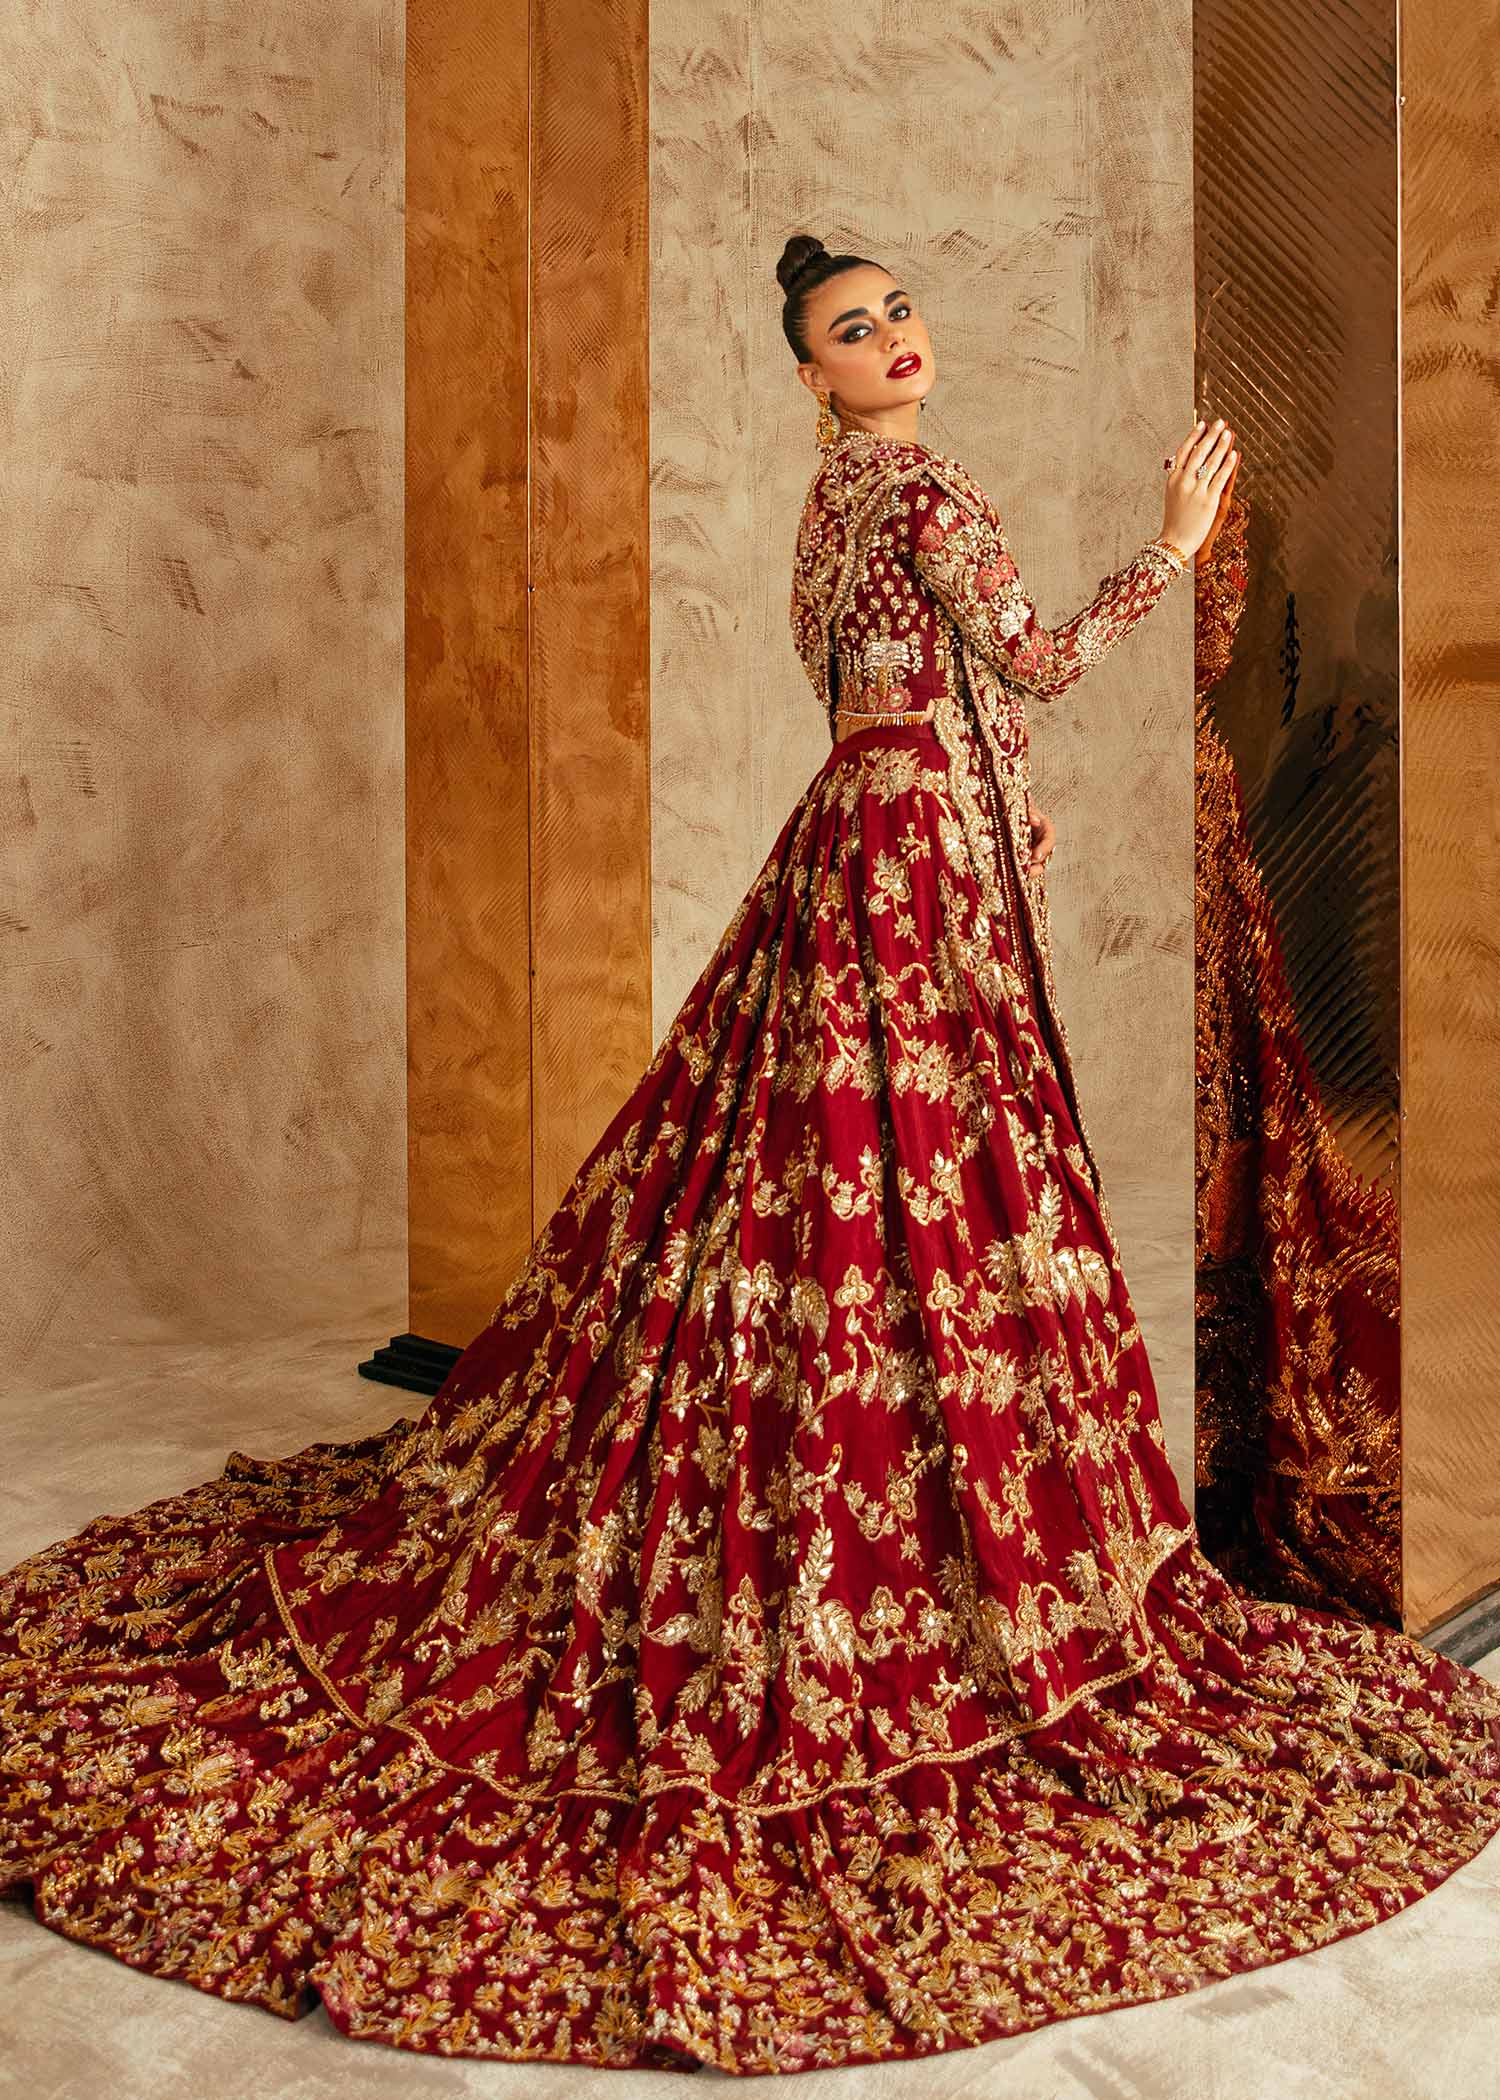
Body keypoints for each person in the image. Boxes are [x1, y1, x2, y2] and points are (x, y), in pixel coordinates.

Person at [1, 234, 1496, 2078]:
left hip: (854, 839)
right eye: (854, 332)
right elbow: (1032, 665)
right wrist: (1174, 551)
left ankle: (833, 1463)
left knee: (809, 1192)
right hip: (909, 861)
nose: (894, 340)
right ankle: (917, 1525)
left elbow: (875, 691)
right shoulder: (919, 488)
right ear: (812, 376)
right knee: (907, 1188)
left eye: (898, 311)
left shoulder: (823, 509)